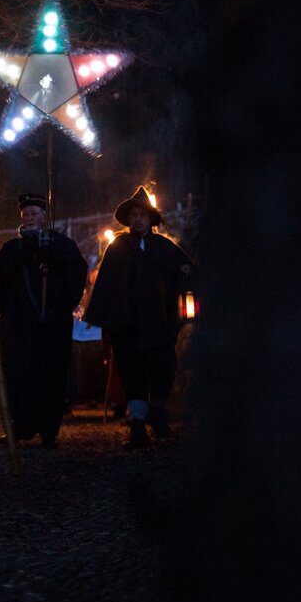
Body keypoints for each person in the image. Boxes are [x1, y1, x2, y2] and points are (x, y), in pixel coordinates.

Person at [85, 186, 191, 447]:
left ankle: (157, 412)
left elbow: (185, 273)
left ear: (150, 219)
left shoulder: (165, 248)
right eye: (133, 215)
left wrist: (178, 311)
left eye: (142, 215)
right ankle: (137, 426)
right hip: (127, 324)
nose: (138, 219)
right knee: (132, 374)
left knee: (164, 367)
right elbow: (106, 286)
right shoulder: (118, 247)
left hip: (158, 323)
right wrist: (109, 324)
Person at [0, 193, 87, 448]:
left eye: (34, 213)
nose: (29, 218)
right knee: (20, 375)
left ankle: (48, 429)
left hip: (52, 324)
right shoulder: (12, 247)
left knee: (50, 375)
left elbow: (76, 271)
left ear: (44, 216)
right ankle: (20, 426)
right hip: (21, 326)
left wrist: (50, 254)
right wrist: (26, 251)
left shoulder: (61, 244)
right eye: (25, 214)